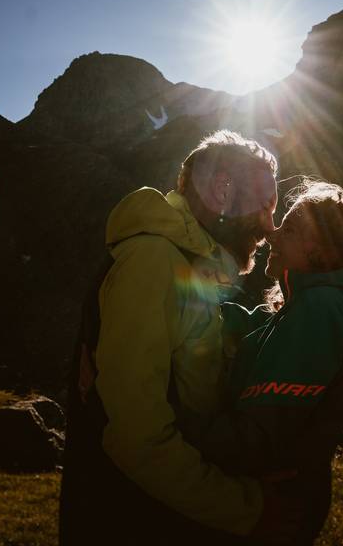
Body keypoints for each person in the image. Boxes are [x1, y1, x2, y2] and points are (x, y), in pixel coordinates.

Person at [60, 130, 296, 545]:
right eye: (266, 205)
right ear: (223, 190)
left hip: (161, 512)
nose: (270, 227)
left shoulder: (187, 267)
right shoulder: (152, 262)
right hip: (128, 519)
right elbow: (137, 437)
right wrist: (246, 510)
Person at [179, 179, 343, 545]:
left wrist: (169, 421)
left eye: (292, 229)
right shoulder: (314, 307)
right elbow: (252, 327)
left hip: (273, 499)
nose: (272, 236)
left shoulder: (321, 310)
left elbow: (258, 437)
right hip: (291, 490)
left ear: (325, 254)